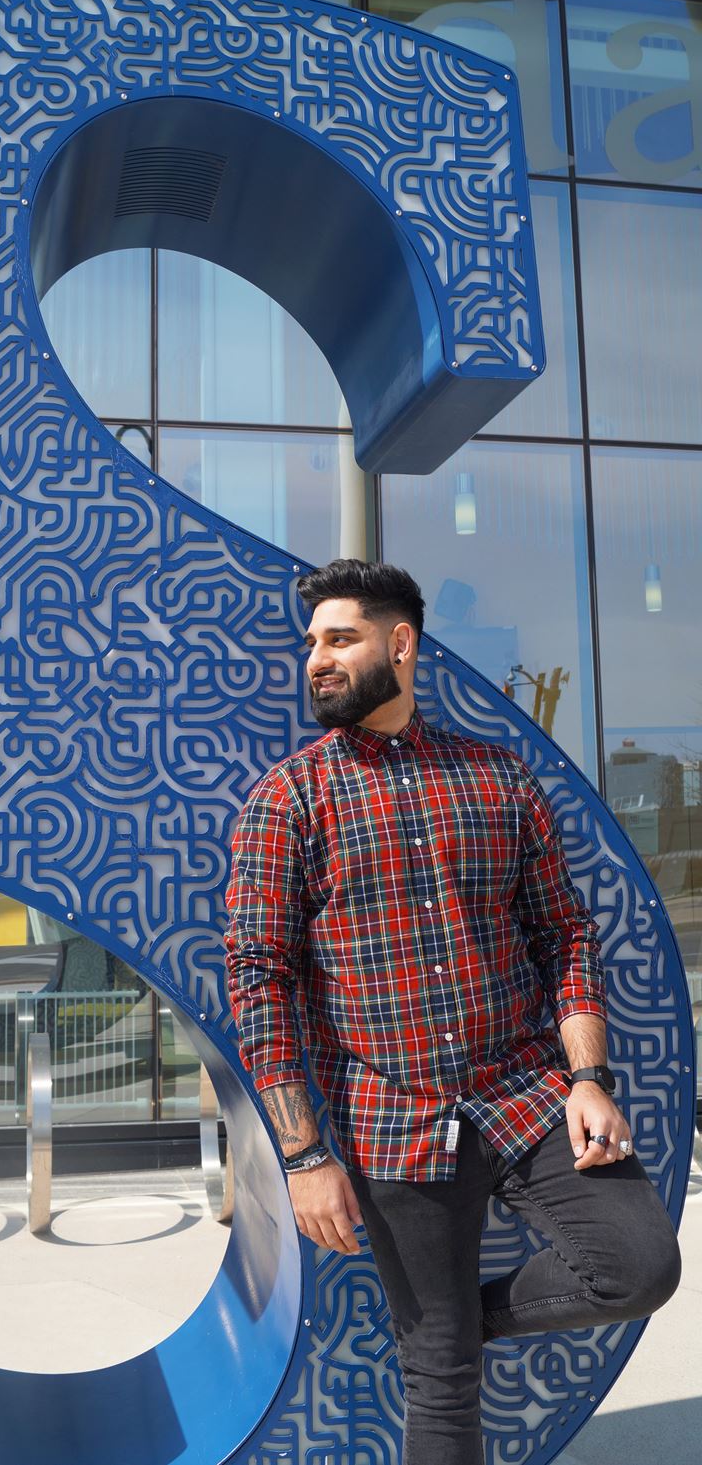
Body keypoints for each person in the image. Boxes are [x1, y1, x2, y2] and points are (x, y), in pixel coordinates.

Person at [225, 559, 680, 1465]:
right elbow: (259, 980)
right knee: (440, 1376)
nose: (315, 657)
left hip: (525, 1095)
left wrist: (588, 1077)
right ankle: (439, 1334)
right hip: (393, 1118)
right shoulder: (289, 799)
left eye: (339, 638)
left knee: (639, 1266)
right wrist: (307, 1155)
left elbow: (564, 934)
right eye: (310, 642)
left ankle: (448, 1323)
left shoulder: (499, 778)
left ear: (401, 645)